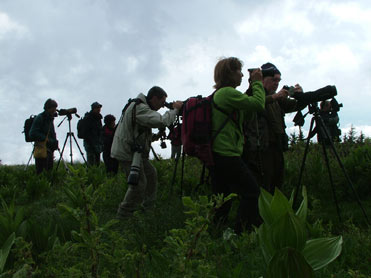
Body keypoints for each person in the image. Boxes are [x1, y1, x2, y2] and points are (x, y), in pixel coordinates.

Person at [210, 57, 265, 234]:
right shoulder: (227, 93)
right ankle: (242, 233)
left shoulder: (224, 95)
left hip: (219, 154)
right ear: (230, 74)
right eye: (239, 71)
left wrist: (250, 90)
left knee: (223, 198)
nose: (242, 75)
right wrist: (257, 83)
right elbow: (258, 105)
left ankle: (216, 232)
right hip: (227, 154)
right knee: (251, 192)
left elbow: (246, 116)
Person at [111, 86, 183, 218]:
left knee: (151, 175)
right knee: (139, 184)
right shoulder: (140, 108)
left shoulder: (141, 107)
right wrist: (176, 109)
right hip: (127, 153)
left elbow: (139, 132)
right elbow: (163, 121)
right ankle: (123, 215)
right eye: (162, 103)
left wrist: (155, 136)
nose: (162, 107)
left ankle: (148, 210)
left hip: (136, 152)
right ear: (154, 98)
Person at [242, 62, 305, 194]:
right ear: (262, 79)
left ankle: (273, 212)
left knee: (277, 183)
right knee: (263, 185)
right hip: (259, 149)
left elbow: (293, 106)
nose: (276, 83)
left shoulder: (277, 98)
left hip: (276, 146)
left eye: (278, 80)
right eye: (273, 80)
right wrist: (276, 96)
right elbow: (254, 104)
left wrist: (300, 95)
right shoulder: (253, 94)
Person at [29, 98, 59, 174]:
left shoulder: (50, 119)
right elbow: (32, 133)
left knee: (49, 171)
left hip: (49, 149)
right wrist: (46, 139)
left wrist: (54, 142)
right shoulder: (40, 118)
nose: (54, 111)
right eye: (53, 109)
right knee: (41, 172)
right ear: (48, 108)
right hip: (42, 149)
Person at [83, 102, 103, 166]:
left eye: (99, 108)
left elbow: (100, 131)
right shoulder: (88, 118)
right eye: (97, 108)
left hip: (97, 144)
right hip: (90, 144)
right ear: (93, 108)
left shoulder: (98, 118)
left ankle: (95, 174)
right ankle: (91, 175)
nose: (99, 109)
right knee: (91, 163)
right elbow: (87, 132)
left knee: (97, 164)